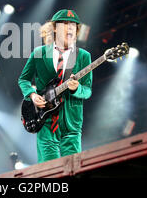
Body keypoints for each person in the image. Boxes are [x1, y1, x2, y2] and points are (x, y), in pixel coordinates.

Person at [18, 9, 92, 163]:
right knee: (49, 170)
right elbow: (23, 80)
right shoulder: (39, 53)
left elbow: (87, 91)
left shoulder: (83, 56)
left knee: (73, 169)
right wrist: (32, 95)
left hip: (71, 123)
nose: (70, 27)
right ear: (55, 28)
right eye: (65, 24)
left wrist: (76, 88)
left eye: (73, 25)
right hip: (45, 120)